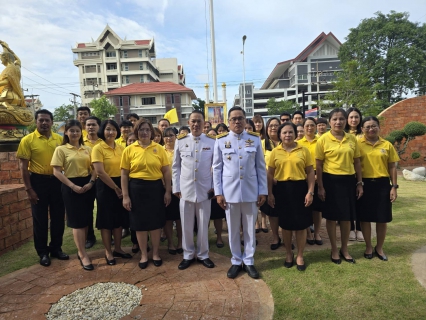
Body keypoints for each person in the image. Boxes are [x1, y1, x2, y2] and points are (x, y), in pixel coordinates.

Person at [212, 106, 267, 279]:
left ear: (245, 120)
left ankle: (249, 261)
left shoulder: (255, 140)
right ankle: (236, 260)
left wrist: (263, 190)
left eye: (240, 118)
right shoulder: (220, 141)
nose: (237, 121)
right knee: (233, 229)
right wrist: (219, 193)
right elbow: (217, 169)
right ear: (228, 122)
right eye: (233, 119)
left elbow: (260, 168)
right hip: (230, 193)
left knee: (250, 229)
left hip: (251, 191)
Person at [17, 109, 68, 267]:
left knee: (58, 217)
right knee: (40, 219)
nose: (44, 123)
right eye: (41, 120)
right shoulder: (28, 140)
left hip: (57, 182)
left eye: (47, 120)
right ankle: (42, 252)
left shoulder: (59, 140)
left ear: (52, 122)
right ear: (36, 122)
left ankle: (56, 248)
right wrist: (29, 189)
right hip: (37, 182)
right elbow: (23, 168)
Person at [121, 119, 171, 269]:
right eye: (141, 129)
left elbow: (166, 172)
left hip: (155, 188)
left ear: (152, 132)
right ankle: (144, 254)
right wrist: (125, 196)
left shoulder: (159, 148)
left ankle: (155, 253)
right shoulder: (129, 149)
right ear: (136, 132)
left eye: (147, 130)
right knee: (140, 224)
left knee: (155, 223)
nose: (144, 132)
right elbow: (124, 174)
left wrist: (168, 191)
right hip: (136, 189)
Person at [316, 108, 363, 264]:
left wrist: (359, 183)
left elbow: (357, 162)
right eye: (335, 119)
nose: (338, 122)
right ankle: (334, 249)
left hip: (349, 181)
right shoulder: (323, 139)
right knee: (331, 217)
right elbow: (319, 164)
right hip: (330, 181)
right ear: (329, 121)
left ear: (346, 121)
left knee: (346, 218)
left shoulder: (351, 139)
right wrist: (321, 187)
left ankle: (345, 249)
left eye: (341, 119)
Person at [268, 122, 315, 271]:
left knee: (301, 225)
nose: (287, 135)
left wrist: (310, 191)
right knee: (286, 226)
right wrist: (269, 193)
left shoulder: (304, 150)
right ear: (280, 135)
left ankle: (300, 255)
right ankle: (288, 253)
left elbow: (310, 172)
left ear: (295, 134)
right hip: (282, 189)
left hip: (300, 188)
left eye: (290, 132)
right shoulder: (275, 152)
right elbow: (270, 174)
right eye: (284, 133)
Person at [172, 110, 216, 270]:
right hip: (185, 190)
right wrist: (176, 187)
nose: (196, 124)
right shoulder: (181, 141)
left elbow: (216, 167)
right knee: (186, 225)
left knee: (204, 224)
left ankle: (203, 254)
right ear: (189, 123)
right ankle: (188, 254)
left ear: (204, 123)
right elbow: (175, 166)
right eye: (193, 121)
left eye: (199, 121)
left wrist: (214, 187)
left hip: (205, 190)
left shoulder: (212, 141)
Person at [51, 120, 97, 271]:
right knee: (76, 222)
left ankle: (81, 250)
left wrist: (91, 182)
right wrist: (72, 186)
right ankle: (83, 254)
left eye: (77, 131)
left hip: (87, 185)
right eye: (71, 131)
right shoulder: (61, 149)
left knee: (85, 219)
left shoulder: (87, 149)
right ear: (66, 132)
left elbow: (94, 169)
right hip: (70, 186)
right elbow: (56, 171)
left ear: (80, 132)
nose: (75, 133)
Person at [357, 116, 399, 261]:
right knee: (365, 218)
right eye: (367, 126)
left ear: (379, 127)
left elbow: (392, 166)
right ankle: (368, 246)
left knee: (382, 218)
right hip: (364, 184)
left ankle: (379, 247)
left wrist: (394, 186)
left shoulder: (387, 145)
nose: (371, 129)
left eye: (374, 126)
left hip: (382, 185)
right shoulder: (357, 143)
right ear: (362, 129)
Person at [92, 120, 132, 266]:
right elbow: (100, 172)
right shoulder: (98, 148)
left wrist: (123, 188)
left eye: (114, 129)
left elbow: (126, 169)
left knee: (119, 218)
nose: (111, 132)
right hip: (106, 186)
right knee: (106, 221)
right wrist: (116, 188)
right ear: (103, 131)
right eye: (108, 129)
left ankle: (118, 249)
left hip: (121, 184)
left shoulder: (121, 148)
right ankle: (108, 251)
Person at [298, 117, 323, 245]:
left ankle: (317, 233)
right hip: (303, 176)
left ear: (316, 126)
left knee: (317, 209)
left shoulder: (321, 141)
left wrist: (318, 176)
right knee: (306, 207)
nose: (309, 128)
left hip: (319, 176)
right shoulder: (299, 143)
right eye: (307, 125)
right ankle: (308, 232)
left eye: (312, 125)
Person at [261, 117, 281, 249]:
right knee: (272, 212)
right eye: (270, 126)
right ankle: (275, 237)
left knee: (285, 212)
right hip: (269, 181)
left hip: (285, 182)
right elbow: (259, 163)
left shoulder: (286, 141)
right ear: (266, 129)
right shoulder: (261, 143)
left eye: (276, 125)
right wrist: (270, 176)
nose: (273, 128)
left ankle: (286, 236)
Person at [83, 116, 102, 249]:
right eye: (88, 125)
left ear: (98, 126)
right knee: (88, 209)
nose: (91, 127)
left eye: (93, 125)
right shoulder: (81, 142)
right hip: (86, 179)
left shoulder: (104, 142)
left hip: (103, 179)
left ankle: (109, 235)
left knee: (104, 208)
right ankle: (90, 237)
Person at [163, 127, 183, 255]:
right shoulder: (159, 150)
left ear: (176, 136)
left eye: (171, 135)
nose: (169, 138)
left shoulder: (181, 149)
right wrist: (166, 188)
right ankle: (170, 243)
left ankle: (181, 242)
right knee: (168, 218)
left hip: (181, 187)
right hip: (165, 187)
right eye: (166, 136)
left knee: (180, 218)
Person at [345, 107, 364, 241]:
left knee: (361, 202)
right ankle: (351, 228)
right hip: (349, 173)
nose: (353, 119)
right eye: (351, 117)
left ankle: (361, 229)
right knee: (350, 202)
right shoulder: (344, 135)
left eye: (356, 117)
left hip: (364, 172)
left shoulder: (365, 133)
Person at [206, 128, 226, 248]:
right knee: (206, 217)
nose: (213, 137)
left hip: (218, 188)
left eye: (215, 135)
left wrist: (216, 188)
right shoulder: (205, 150)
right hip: (205, 188)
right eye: (210, 136)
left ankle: (219, 237)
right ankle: (206, 238)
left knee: (218, 216)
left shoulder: (222, 149)